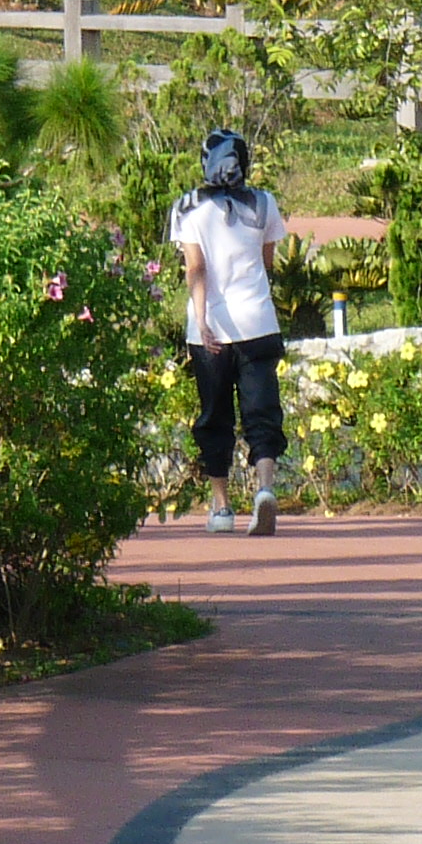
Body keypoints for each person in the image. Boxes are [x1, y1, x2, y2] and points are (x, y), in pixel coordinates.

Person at [172, 125, 291, 537]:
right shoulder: (263, 203)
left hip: (211, 332)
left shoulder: (187, 207)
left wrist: (203, 320)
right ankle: (264, 488)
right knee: (262, 411)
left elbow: (195, 268)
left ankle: (221, 507)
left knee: (214, 416)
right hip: (257, 323)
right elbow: (269, 262)